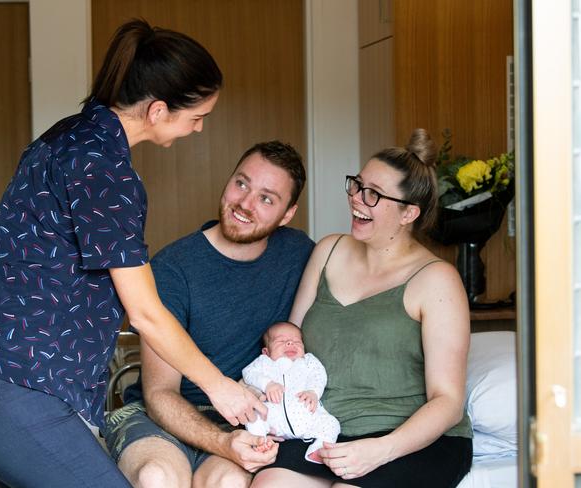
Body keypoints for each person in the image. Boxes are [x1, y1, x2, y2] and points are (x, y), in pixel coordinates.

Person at [0, 19, 265, 488]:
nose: (199, 128)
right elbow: (145, 312)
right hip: (9, 388)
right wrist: (221, 388)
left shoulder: (71, 137)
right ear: (157, 110)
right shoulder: (103, 169)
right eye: (197, 117)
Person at [251, 129, 473, 488]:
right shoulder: (328, 252)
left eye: (373, 194)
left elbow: (447, 401)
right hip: (327, 429)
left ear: (408, 213)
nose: (356, 199)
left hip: (409, 440)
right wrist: (274, 410)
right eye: (356, 185)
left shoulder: (437, 280)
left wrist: (380, 450)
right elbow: (288, 351)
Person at [102, 141, 315, 488]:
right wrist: (221, 442)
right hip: (163, 417)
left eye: (266, 198)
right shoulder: (173, 268)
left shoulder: (298, 253)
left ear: (287, 214)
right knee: (158, 478)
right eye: (241, 183)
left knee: (228, 484)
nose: (245, 204)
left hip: (243, 423)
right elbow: (160, 395)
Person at [242, 321, 340, 464]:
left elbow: (319, 376)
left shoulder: (308, 361)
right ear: (266, 352)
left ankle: (318, 449)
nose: (289, 343)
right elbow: (248, 373)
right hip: (273, 419)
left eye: (296, 341)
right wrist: (267, 384)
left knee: (332, 424)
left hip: (308, 415)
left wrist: (313, 392)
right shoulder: (263, 362)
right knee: (254, 417)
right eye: (281, 341)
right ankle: (260, 442)